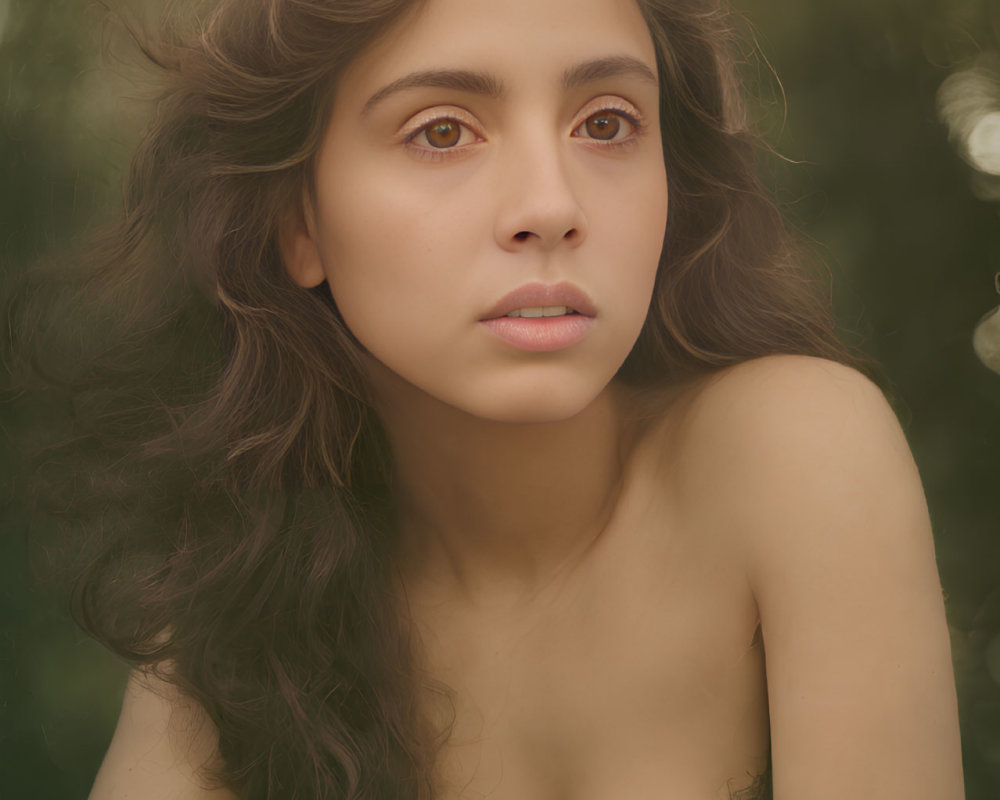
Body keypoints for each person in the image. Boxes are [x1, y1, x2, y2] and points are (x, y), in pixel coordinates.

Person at [9, 0, 965, 797]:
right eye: (442, 132)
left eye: (607, 123)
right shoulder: (242, 587)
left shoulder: (795, 453)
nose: (551, 205)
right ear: (295, 219)